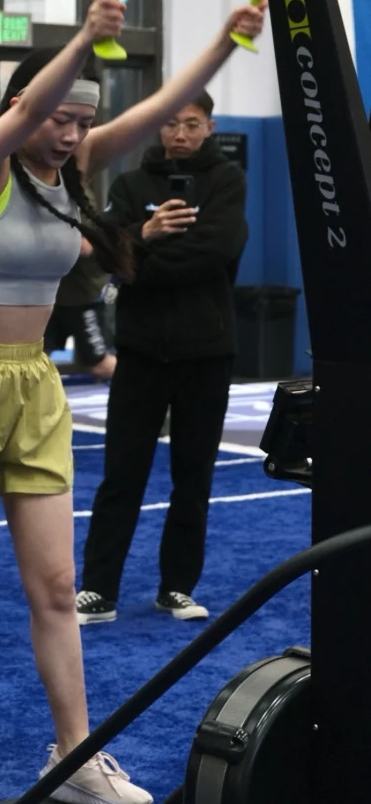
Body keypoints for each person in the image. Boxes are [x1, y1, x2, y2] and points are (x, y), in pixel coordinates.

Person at [0, 0, 266, 804]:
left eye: (83, 122)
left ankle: (74, 757)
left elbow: (164, 104)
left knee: (59, 590)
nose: (69, 133)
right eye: (59, 118)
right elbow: (31, 107)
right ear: (28, 107)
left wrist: (223, 41)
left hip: (33, 386)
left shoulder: (81, 166)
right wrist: (84, 39)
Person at [76, 91, 248, 626]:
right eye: (172, 123)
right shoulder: (131, 186)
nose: (180, 133)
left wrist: (140, 263)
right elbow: (106, 252)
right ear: (159, 128)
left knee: (193, 479)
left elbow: (215, 250)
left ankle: (176, 588)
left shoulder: (227, 181)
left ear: (209, 126)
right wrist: (143, 234)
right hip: (141, 353)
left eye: (192, 124)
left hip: (206, 353)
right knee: (120, 476)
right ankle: (98, 589)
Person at [44, 234, 116, 382]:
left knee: (101, 364)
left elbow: (84, 247)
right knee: (34, 357)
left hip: (83, 299)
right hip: (50, 296)